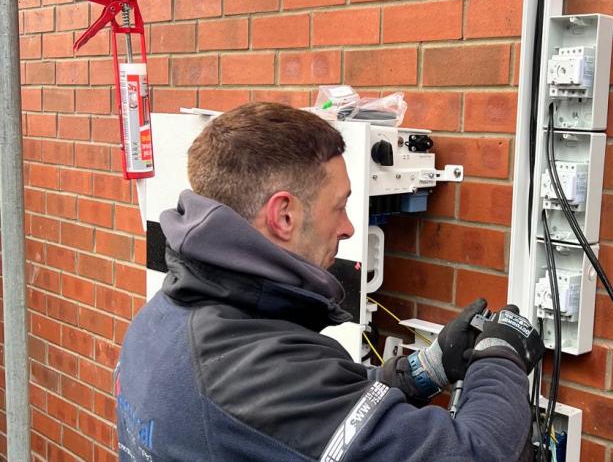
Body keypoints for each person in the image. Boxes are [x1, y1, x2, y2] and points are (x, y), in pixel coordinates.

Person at [115, 102, 545, 461]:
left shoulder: (166, 318)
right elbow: (476, 454)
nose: (348, 228)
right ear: (284, 215)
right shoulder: (248, 368)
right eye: (338, 206)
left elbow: (311, 415)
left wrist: (422, 372)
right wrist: (501, 357)